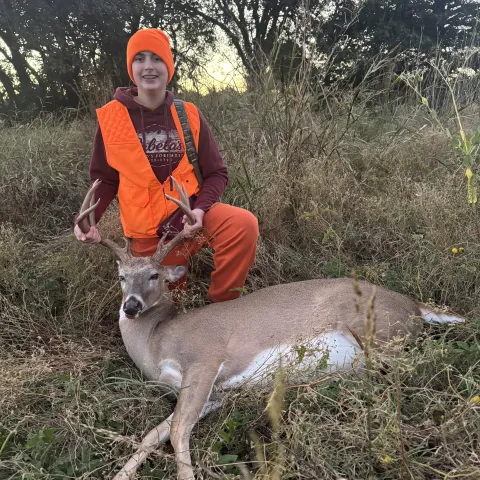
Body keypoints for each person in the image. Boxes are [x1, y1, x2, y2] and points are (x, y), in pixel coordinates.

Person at [74, 28, 258, 303]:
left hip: (189, 221)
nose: (148, 66)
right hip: (149, 238)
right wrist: (88, 221)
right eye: (139, 58)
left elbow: (216, 173)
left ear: (168, 67)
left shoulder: (188, 113)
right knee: (164, 310)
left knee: (242, 224)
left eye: (157, 59)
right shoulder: (111, 118)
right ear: (131, 67)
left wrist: (199, 209)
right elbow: (106, 179)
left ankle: (223, 307)